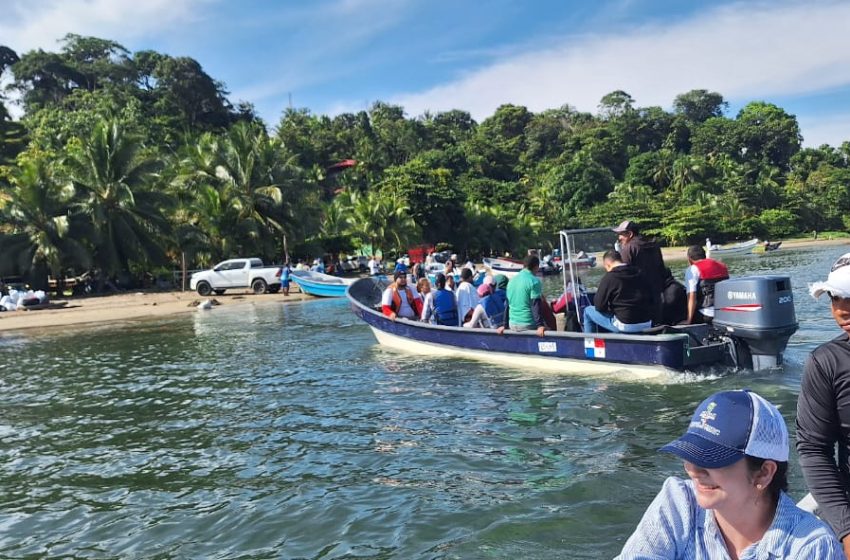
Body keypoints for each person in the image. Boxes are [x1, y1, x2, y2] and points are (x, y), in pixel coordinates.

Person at [618, 389, 844, 559]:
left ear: (763, 473)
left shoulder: (812, 547)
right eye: (690, 455)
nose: (693, 470)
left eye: (711, 460)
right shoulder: (678, 503)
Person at [796, 252, 850, 558]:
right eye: (834, 297)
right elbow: (814, 449)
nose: (842, 310)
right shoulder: (826, 363)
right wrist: (846, 530)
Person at [583, 250, 653, 334]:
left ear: (607, 265)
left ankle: (589, 344)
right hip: (647, 323)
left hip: (625, 325)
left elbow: (599, 306)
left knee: (587, 311)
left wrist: (609, 308)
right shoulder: (639, 273)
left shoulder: (610, 277)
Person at [613, 220, 666, 324]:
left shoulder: (629, 248)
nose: (619, 238)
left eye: (621, 234)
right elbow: (661, 269)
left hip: (638, 298)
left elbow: (623, 274)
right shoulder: (654, 245)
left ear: (630, 234)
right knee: (656, 324)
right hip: (656, 295)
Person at [498, 254, 546, 336]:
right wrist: (540, 325)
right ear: (536, 267)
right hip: (527, 324)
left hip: (512, 324)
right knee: (549, 326)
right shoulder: (534, 281)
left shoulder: (511, 281)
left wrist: (504, 325)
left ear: (523, 266)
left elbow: (507, 306)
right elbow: (535, 305)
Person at [684, 245, 729, 324]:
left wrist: (689, 320)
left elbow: (692, 296)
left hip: (706, 315)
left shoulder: (693, 269)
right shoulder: (722, 266)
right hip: (724, 314)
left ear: (689, 259)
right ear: (704, 256)